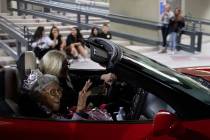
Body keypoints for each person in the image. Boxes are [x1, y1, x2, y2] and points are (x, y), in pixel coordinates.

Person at [39, 50, 117, 114]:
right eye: (64, 65)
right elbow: (70, 105)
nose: (67, 68)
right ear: (54, 67)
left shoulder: (65, 77)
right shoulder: (51, 88)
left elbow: (81, 80)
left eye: (67, 64)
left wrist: (102, 77)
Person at [19, 72, 95, 120]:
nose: (59, 95)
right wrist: (79, 110)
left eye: (59, 90)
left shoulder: (49, 111)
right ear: (39, 96)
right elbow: (69, 133)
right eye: (52, 92)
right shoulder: (39, 118)